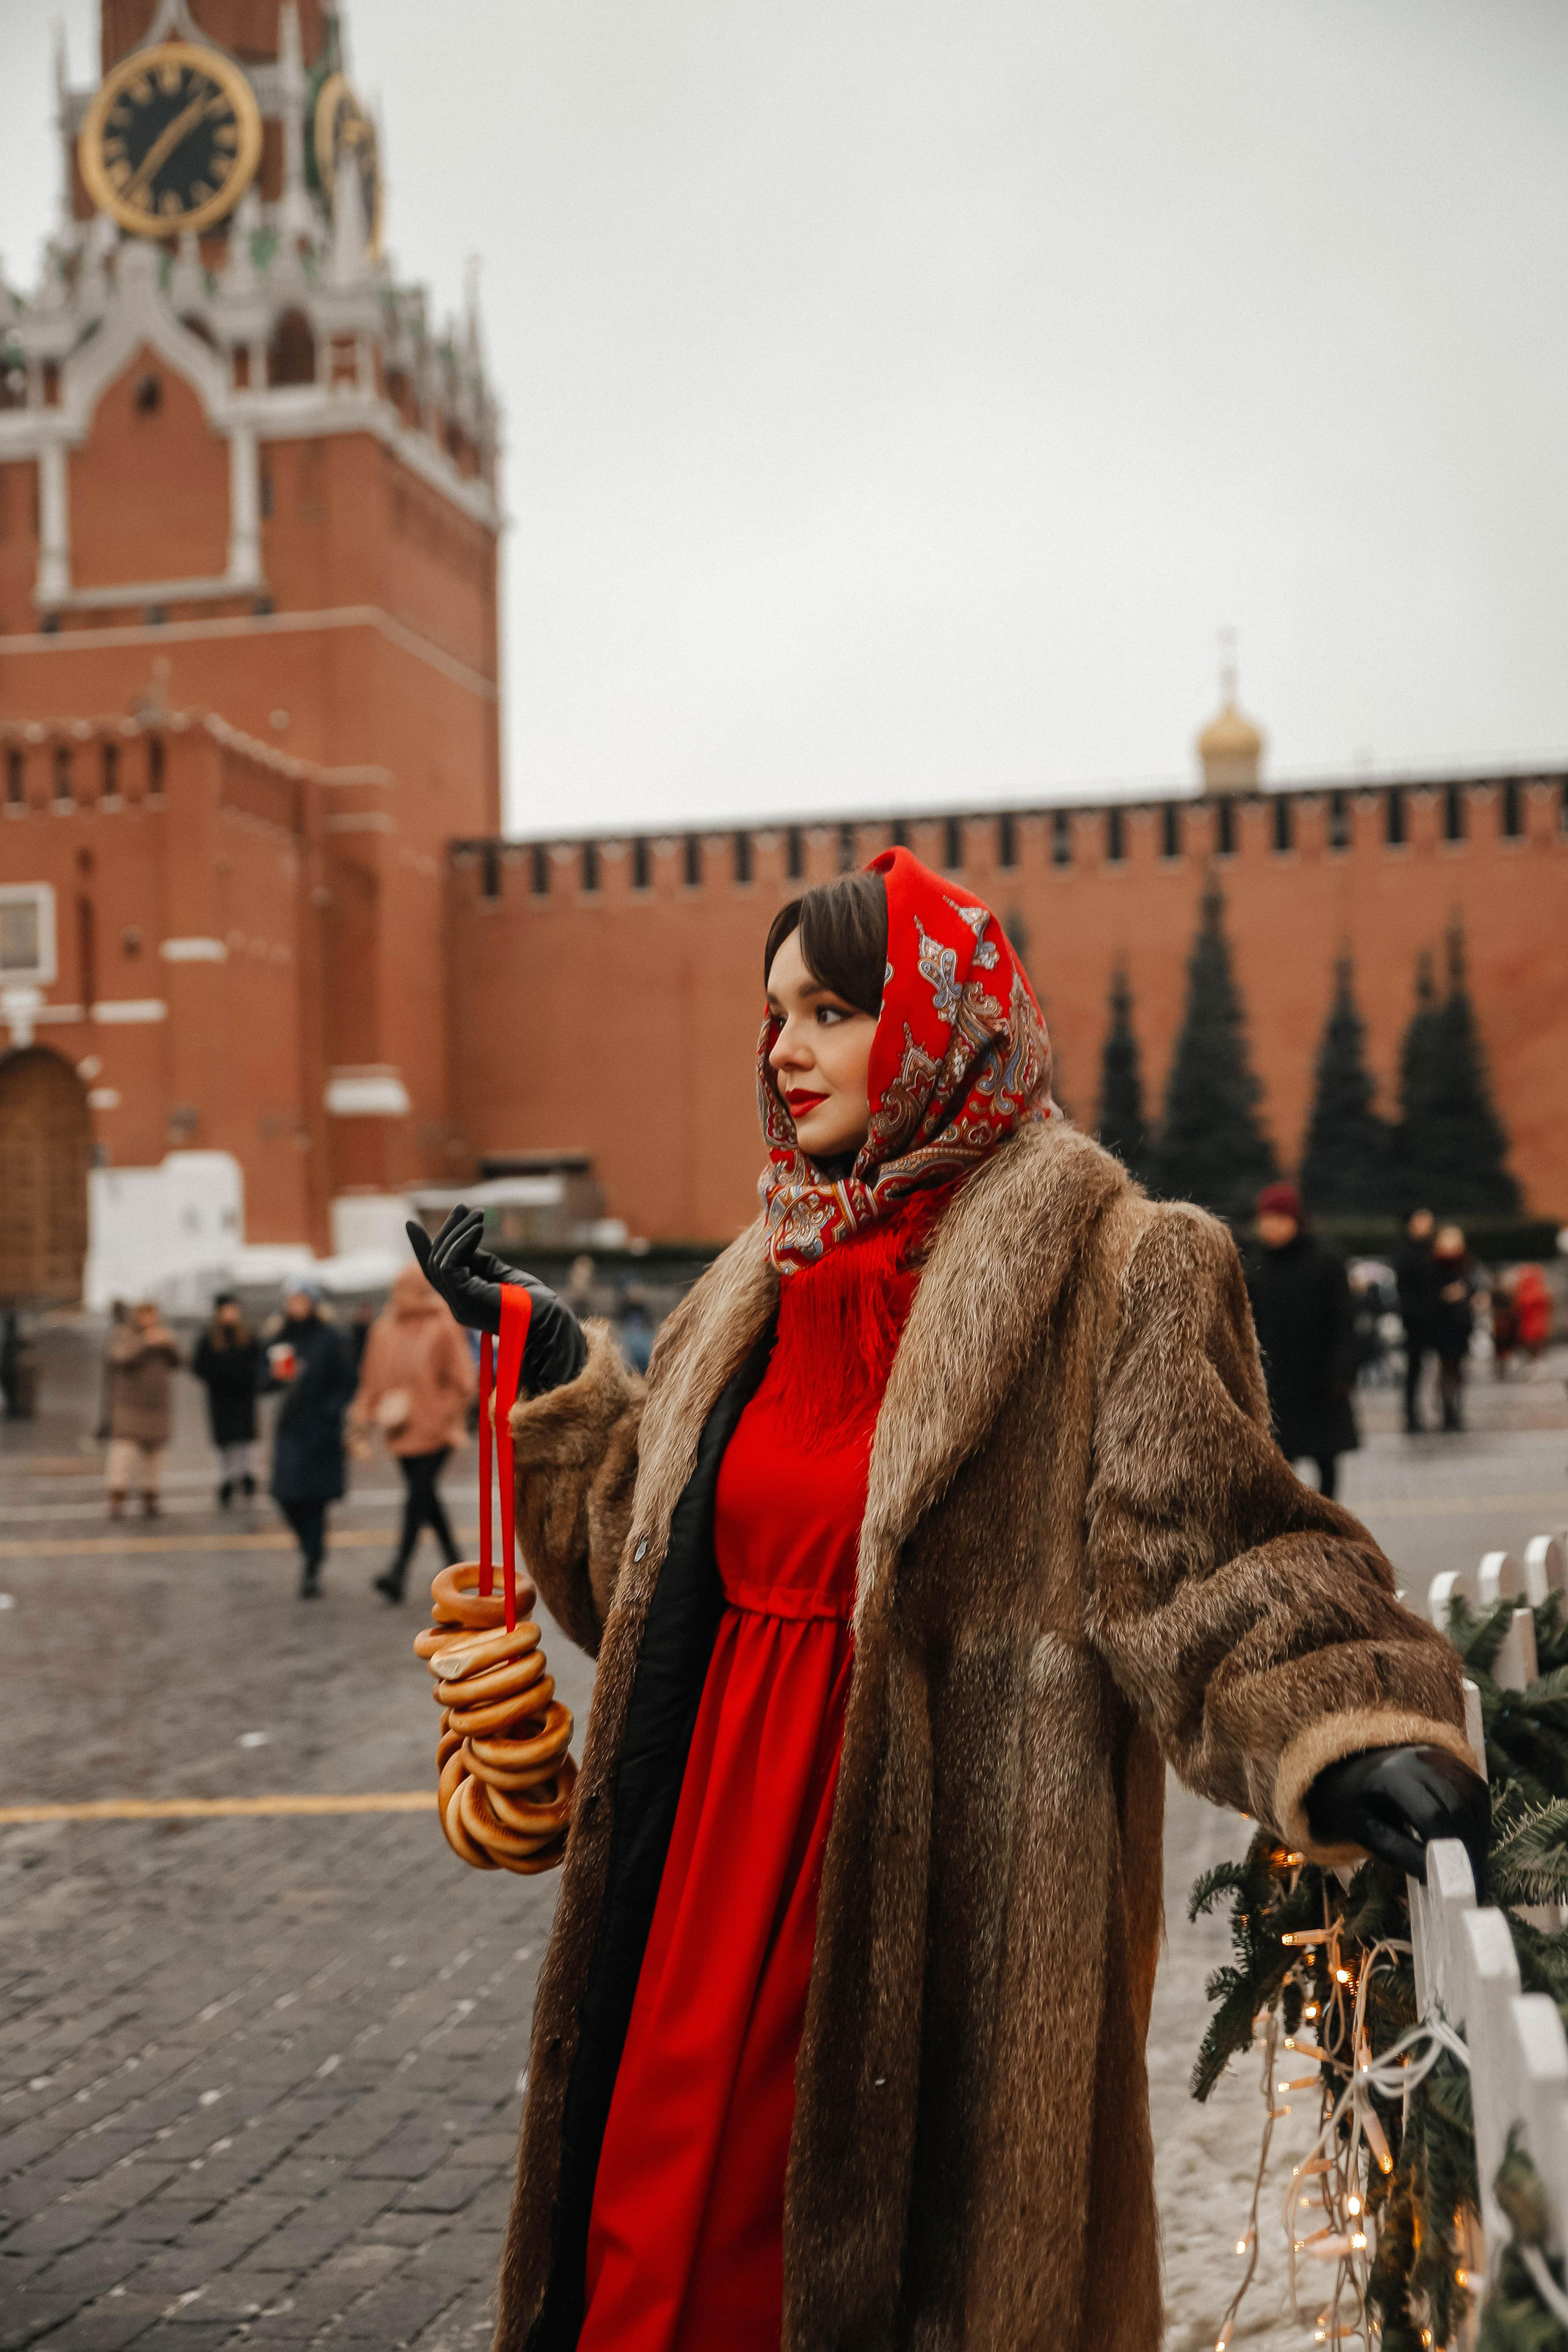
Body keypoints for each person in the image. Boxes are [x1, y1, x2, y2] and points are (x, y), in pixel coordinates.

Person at [412, 848, 1487, 2352]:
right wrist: (555, 1375)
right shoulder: (751, 1281)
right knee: (650, 2255)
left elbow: (1212, 1555)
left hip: (935, 1905)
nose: (782, 1048)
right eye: (772, 1011)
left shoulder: (1118, 1266)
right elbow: (643, 1576)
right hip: (700, 1865)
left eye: (833, 1008)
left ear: (940, 1025)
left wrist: (1342, 1718)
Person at [350, 1262, 475, 1605]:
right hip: (400, 1430)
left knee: (417, 1497)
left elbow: (464, 1380)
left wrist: (441, 1414)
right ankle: (457, 1566)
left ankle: (397, 1572)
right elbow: (370, 1380)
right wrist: (361, 1420)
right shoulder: (384, 1329)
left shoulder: (442, 1324)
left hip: (438, 1432)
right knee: (426, 1499)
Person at [1246, 1182, 1359, 1500]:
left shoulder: (1326, 1262)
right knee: (1279, 1461)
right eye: (1266, 1221)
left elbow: (1344, 1319)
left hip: (1320, 1377)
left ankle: (1330, 1520)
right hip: (1275, 1380)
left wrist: (1342, 1368)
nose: (1272, 1229)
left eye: (1280, 1221)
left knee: (1326, 1457)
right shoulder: (1256, 1267)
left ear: (1296, 1221)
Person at [266, 1280, 356, 1599]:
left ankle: (312, 1567)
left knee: (315, 1501)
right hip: (290, 1429)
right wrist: (274, 1377)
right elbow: (262, 1381)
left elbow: (348, 1380)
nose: (296, 1305)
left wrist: (331, 1412)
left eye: (302, 1299)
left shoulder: (331, 1338)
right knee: (285, 1495)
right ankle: (309, 1549)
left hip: (320, 1431)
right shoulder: (281, 1337)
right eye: (292, 1300)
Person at [105, 1300, 181, 1518]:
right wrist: (145, 1341)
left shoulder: (163, 1334)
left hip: (157, 1407)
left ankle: (151, 1497)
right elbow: (120, 1357)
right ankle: (117, 1498)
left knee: (153, 1456)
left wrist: (169, 1343)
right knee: (123, 1454)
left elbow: (179, 1362)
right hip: (129, 1406)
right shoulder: (124, 1333)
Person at [190, 1294, 265, 1506]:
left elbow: (259, 1363)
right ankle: (226, 1479)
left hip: (243, 1395)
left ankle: (246, 1474)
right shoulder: (209, 1338)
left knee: (245, 1437)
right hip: (221, 1395)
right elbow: (199, 1366)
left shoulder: (248, 1337)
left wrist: (247, 1377)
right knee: (225, 1439)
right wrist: (220, 1375)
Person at [1395, 1206, 1441, 1433]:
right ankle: (1411, 1414)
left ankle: (1445, 1410)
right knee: (1414, 1368)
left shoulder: (1434, 1249)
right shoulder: (1405, 1251)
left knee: (1443, 1365)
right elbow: (1404, 1287)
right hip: (1415, 1319)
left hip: (1438, 1317)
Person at [1433, 1223, 1479, 1433]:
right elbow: (1428, 1291)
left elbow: (1475, 1285)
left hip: (1461, 1322)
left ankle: (1457, 1407)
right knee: (1446, 1367)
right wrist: (1444, 1295)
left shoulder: (1467, 1263)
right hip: (1443, 1322)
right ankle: (1447, 1410)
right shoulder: (1434, 1264)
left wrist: (1466, 1292)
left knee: (1459, 1368)